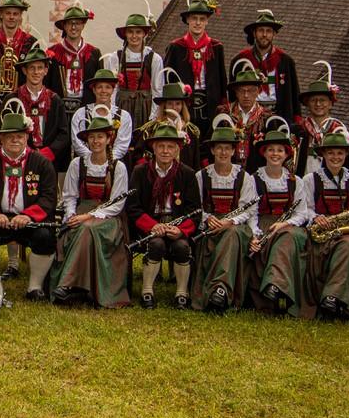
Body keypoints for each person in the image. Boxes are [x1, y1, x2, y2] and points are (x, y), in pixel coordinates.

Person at [0, 110, 59, 299]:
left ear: (27, 137)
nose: (15, 140)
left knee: (45, 238)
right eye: (10, 136)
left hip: (29, 220)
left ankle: (35, 287)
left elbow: (49, 197)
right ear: (1, 138)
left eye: (20, 136)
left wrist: (28, 216)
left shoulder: (42, 163)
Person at [50, 115, 131, 307]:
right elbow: (69, 196)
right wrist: (71, 215)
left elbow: (116, 205)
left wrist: (88, 217)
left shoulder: (118, 167)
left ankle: (69, 284)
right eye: (92, 137)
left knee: (87, 229)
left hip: (109, 218)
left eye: (100, 137)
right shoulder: (77, 164)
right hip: (80, 212)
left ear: (109, 139)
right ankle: (79, 287)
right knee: (79, 229)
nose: (96, 141)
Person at [300, 129, 349, 323]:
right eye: (331, 153)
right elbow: (304, 207)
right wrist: (316, 217)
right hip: (321, 233)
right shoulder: (310, 179)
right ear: (323, 155)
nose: (335, 157)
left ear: (346, 155)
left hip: (347, 232)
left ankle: (333, 297)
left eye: (340, 153)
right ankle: (330, 296)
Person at [126, 119, 201, 309]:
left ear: (177, 150)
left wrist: (180, 230)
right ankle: (147, 291)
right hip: (151, 225)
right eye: (161, 146)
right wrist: (153, 226)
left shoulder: (187, 174)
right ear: (154, 148)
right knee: (156, 244)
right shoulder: (140, 172)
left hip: (177, 225)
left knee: (182, 247)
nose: (165, 151)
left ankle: (182, 293)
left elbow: (194, 210)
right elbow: (133, 207)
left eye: (170, 147)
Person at [189, 116, 258, 313]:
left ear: (234, 151)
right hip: (210, 226)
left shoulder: (245, 177)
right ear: (212, 150)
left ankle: (220, 289)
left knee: (232, 234)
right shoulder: (201, 176)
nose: (223, 152)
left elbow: (248, 209)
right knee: (217, 238)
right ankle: (216, 291)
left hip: (235, 227)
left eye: (227, 148)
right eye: (219, 148)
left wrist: (230, 221)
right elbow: (196, 206)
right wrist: (208, 218)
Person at [246, 120, 309, 316]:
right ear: (264, 153)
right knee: (265, 245)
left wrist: (285, 223)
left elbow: (302, 213)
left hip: (288, 226)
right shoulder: (253, 179)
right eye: (271, 150)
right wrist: (255, 234)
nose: (275, 154)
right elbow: (251, 212)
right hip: (262, 225)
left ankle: (275, 285)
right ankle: (270, 292)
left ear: (286, 154)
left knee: (288, 238)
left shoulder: (296, 181)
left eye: (280, 150)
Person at [0, 47, 69, 166]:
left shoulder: (55, 100)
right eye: (32, 68)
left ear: (46, 71)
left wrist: (47, 153)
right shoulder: (12, 99)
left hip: (48, 162)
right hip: (18, 159)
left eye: (40, 68)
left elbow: (63, 134)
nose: (36, 72)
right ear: (24, 70)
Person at [163, 0, 226, 136]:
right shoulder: (176, 47)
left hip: (210, 104)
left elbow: (222, 79)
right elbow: (168, 79)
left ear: (207, 21)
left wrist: (223, 105)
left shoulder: (216, 47)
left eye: (202, 19)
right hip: (185, 104)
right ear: (188, 20)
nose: (198, 23)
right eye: (194, 18)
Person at [101, 4, 163, 132]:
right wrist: (113, 112)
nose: (134, 36)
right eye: (130, 32)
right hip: (122, 106)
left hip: (145, 107)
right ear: (125, 34)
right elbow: (112, 88)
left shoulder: (154, 58)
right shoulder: (116, 57)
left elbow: (157, 90)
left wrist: (153, 117)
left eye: (138, 32)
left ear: (144, 34)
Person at [230, 9, 300, 121]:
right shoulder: (240, 60)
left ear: (274, 34)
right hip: (249, 116)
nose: (264, 35)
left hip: (279, 115)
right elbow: (233, 94)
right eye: (261, 30)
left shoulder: (285, 61)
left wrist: (297, 120)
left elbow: (295, 95)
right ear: (254, 33)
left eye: (268, 31)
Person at [293, 61, 349, 176]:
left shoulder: (340, 131)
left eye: (322, 100)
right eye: (313, 100)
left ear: (330, 104)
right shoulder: (299, 130)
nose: (318, 104)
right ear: (307, 103)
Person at [133, 71, 203, 170]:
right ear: (164, 105)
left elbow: (196, 160)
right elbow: (139, 154)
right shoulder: (151, 129)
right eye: (170, 103)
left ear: (182, 105)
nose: (174, 107)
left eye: (177, 103)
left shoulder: (191, 130)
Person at [46, 0, 103, 117]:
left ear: (83, 25)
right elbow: (47, 85)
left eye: (77, 23)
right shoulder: (53, 52)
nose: (73, 27)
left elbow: (99, 85)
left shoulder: (94, 53)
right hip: (59, 110)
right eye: (70, 23)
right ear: (64, 26)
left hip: (87, 109)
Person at [216, 60, 270, 170]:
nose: (246, 95)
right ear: (236, 92)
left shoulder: (266, 117)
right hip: (227, 170)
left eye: (251, 91)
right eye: (242, 91)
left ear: (258, 91)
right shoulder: (224, 113)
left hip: (255, 171)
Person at [69, 70, 133, 163]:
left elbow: (122, 146)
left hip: (112, 164)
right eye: (99, 87)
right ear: (94, 90)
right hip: (86, 164)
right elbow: (77, 143)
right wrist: (92, 160)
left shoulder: (123, 116)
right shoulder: (80, 114)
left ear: (113, 90)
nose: (103, 91)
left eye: (108, 87)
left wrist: (106, 161)